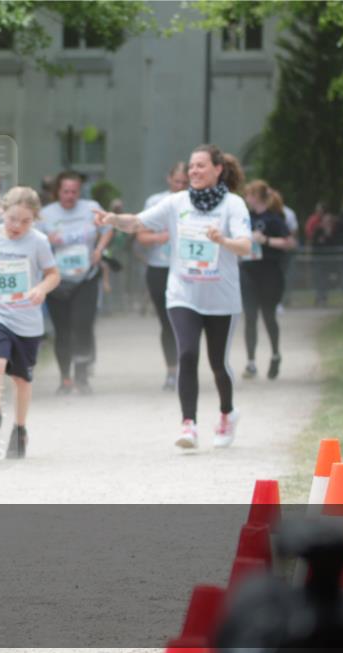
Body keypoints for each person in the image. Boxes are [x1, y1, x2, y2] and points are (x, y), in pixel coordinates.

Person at [96, 144, 252, 450]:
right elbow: (138, 222)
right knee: (187, 355)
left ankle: (226, 413)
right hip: (183, 293)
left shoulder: (233, 205)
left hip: (221, 297)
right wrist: (112, 220)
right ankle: (188, 424)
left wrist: (223, 240)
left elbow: (245, 246)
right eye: (191, 166)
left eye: (201, 166)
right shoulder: (176, 202)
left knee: (218, 363)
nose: (194, 171)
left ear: (218, 169)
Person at [0, 186, 60, 458]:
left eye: (25, 221)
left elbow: (53, 274)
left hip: (26, 319)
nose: (17, 226)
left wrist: (41, 289)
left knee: (22, 380)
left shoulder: (38, 241)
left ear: (34, 219)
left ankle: (20, 429)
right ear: (2, 212)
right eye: (13, 219)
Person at [38, 171, 111, 395]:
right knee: (63, 331)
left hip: (85, 278)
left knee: (82, 326)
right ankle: (65, 379)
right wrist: (46, 241)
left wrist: (99, 250)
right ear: (57, 192)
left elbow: (108, 228)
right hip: (57, 280)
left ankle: (82, 377)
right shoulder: (45, 214)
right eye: (65, 191)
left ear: (80, 192)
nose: (70, 196)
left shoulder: (91, 208)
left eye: (74, 191)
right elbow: (33, 242)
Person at [138, 162, 188, 390]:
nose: (180, 186)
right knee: (167, 322)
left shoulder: (198, 202)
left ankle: (187, 369)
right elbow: (142, 237)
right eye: (177, 181)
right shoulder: (155, 202)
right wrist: (164, 237)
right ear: (169, 179)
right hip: (160, 268)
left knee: (187, 323)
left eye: (184, 183)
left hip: (188, 270)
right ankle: (171, 371)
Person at [240, 181, 295, 380]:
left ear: (258, 196)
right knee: (250, 316)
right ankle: (251, 362)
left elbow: (289, 242)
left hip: (269, 271)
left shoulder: (275, 218)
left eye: (249, 194)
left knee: (268, 316)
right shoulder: (244, 218)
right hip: (248, 270)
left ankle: (275, 354)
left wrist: (267, 241)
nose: (246, 199)